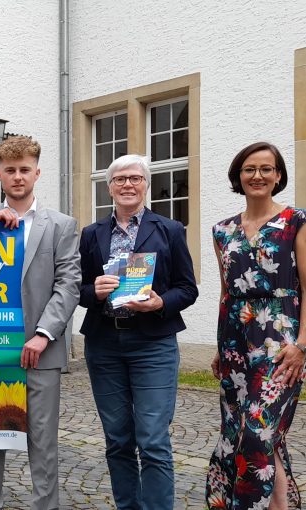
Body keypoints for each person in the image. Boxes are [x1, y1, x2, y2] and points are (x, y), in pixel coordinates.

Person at [78, 154, 198, 510]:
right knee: (117, 439)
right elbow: (78, 288)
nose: (127, 184)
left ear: (145, 185)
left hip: (153, 344)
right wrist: (94, 291)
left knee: (153, 439)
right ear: (109, 186)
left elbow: (187, 289)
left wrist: (160, 302)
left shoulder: (169, 230)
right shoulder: (92, 233)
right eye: (120, 179)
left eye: (135, 178)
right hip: (104, 343)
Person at [0, 136, 80, 510]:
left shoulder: (61, 225)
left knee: (43, 439)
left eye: (25, 170)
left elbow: (68, 284)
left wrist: (43, 334)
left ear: (37, 172)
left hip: (40, 349)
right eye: (10, 171)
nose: (18, 177)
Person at [206, 142, 305, 510]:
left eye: (266, 169)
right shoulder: (222, 231)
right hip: (234, 345)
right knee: (247, 436)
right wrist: (220, 348)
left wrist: (301, 345)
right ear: (239, 176)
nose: (258, 176)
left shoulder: (295, 220)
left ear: (278, 175)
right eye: (250, 169)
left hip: (280, 344)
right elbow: (225, 293)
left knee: (258, 435)